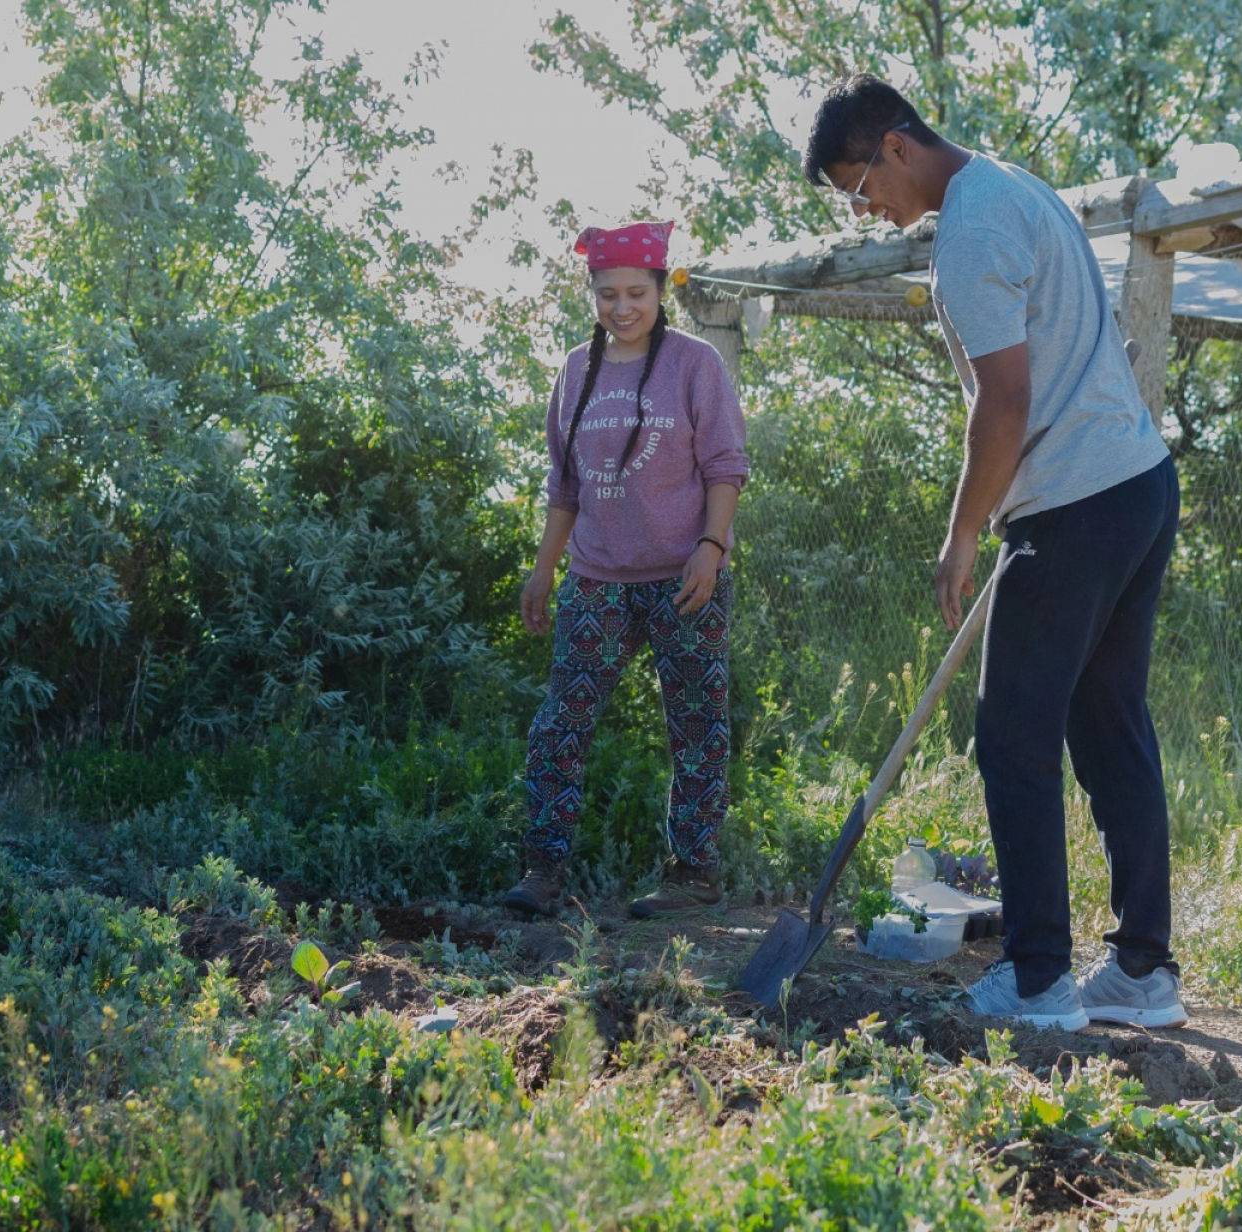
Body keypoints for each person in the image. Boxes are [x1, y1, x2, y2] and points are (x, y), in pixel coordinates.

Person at [801, 76, 1186, 1030]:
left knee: (1014, 736)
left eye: (857, 188)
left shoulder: (968, 234)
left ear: (894, 145)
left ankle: (1039, 978)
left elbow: (1003, 403)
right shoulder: (1012, 184)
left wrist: (965, 530)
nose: (867, 212)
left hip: (1074, 504)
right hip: (1137, 483)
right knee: (1109, 728)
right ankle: (1141, 973)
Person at [504, 220, 750, 920]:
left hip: (685, 577)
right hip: (598, 580)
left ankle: (693, 872)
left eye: (635, 293)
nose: (621, 307)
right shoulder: (575, 371)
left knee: (697, 723)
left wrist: (712, 546)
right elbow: (565, 486)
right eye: (607, 293)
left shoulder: (695, 363)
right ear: (591, 294)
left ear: (658, 290)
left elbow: (726, 466)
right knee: (561, 723)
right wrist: (543, 570)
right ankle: (544, 869)